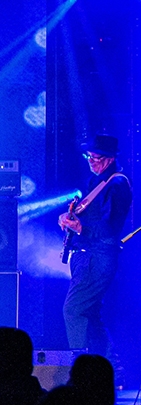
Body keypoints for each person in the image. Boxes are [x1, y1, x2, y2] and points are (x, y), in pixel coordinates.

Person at [58, 134, 132, 360]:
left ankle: (79, 368)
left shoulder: (117, 184)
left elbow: (110, 227)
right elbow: (88, 216)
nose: (91, 161)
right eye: (88, 157)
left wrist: (81, 227)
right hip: (86, 257)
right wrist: (69, 218)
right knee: (90, 314)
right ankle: (109, 370)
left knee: (73, 310)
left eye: (96, 158)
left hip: (98, 258)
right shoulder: (96, 182)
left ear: (110, 159)